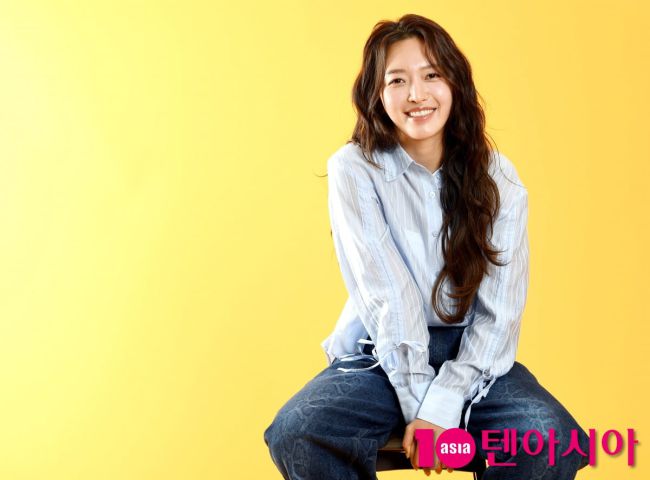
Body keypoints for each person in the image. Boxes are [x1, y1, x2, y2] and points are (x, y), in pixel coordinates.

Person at [264, 13, 590, 479]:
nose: (416, 94)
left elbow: (498, 314)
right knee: (299, 431)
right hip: (381, 352)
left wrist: (442, 408)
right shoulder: (354, 168)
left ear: (455, 84)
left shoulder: (499, 178)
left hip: (473, 356)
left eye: (431, 75)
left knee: (549, 439)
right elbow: (388, 296)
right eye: (397, 80)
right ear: (377, 95)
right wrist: (426, 412)